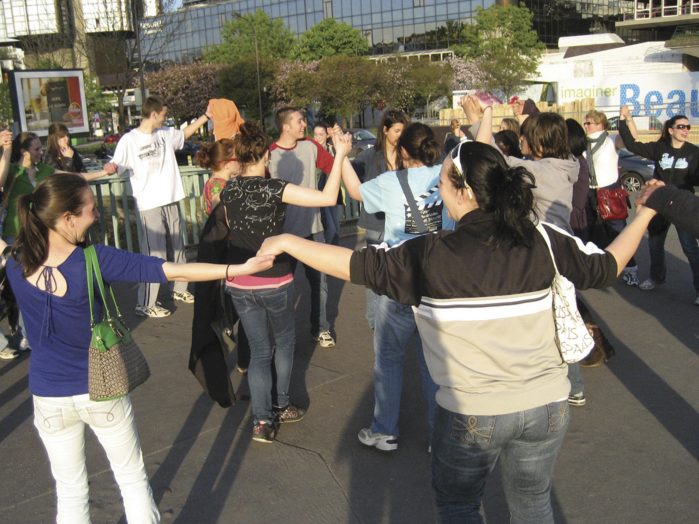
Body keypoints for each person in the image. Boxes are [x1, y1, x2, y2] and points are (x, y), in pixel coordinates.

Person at [257, 141, 657, 523]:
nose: (439, 188)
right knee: (533, 502)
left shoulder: (429, 254)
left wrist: (289, 241)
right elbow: (607, 266)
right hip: (547, 405)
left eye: (443, 181)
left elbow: (354, 265)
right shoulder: (542, 239)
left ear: (462, 191)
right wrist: (644, 215)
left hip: (472, 411)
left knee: (460, 507)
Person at [3, 173, 272, 524]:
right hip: (100, 390)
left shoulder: (16, 261)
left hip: (47, 396)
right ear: (67, 217)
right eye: (90, 210)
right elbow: (170, 269)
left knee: (69, 490)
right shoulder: (92, 259)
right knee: (130, 479)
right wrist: (237, 268)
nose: (96, 215)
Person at [220, 122, 351, 443]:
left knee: (259, 352)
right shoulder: (276, 188)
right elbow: (328, 196)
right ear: (265, 154)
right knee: (284, 343)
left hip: (239, 281)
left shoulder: (228, 190)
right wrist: (341, 155)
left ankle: (262, 422)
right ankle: (281, 403)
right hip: (274, 279)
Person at [340, 121, 467, 452]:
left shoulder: (389, 182)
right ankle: (437, 435)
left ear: (402, 151)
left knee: (389, 358)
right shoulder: (448, 177)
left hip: (399, 280)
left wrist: (340, 155)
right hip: (439, 282)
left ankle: (385, 430)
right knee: (432, 363)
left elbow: (355, 192)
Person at [111, 96, 211, 318]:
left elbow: (184, 134)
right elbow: (117, 165)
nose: (165, 118)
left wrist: (206, 116)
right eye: (163, 114)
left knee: (177, 246)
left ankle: (180, 289)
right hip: (149, 203)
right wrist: (110, 167)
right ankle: (145, 301)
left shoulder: (165, 133)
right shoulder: (129, 140)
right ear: (154, 114)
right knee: (154, 253)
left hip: (171, 197)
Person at [268, 107, 354, 348]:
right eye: (298, 121)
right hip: (283, 233)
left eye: (303, 120)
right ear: (285, 126)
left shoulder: (310, 146)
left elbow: (333, 168)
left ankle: (321, 328)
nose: (303, 124)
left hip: (314, 228)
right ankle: (280, 335)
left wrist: (341, 152)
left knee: (320, 283)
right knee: (283, 287)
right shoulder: (269, 155)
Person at [618, 106, 699, 304]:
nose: (685, 130)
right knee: (655, 245)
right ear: (671, 130)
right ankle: (656, 277)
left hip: (682, 206)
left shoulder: (694, 153)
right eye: (681, 126)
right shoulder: (659, 148)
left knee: (690, 248)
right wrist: (624, 120)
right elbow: (632, 144)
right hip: (659, 204)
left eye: (687, 126)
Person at [351, 108, 409, 329]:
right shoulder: (369, 156)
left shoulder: (407, 156)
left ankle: (396, 316)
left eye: (403, 131)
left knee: (399, 270)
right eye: (396, 131)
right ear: (385, 130)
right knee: (376, 272)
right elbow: (352, 176)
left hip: (402, 223)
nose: (400, 136)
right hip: (376, 223)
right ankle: (375, 320)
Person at [583, 110, 639, 286]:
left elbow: (632, 139)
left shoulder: (611, 140)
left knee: (618, 232)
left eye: (589, 123)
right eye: (585, 123)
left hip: (610, 191)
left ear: (600, 124)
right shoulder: (583, 144)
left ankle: (631, 269)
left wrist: (628, 119)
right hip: (590, 192)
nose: (586, 126)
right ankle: (596, 271)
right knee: (590, 233)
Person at [313, 121, 343, 245]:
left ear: (327, 135)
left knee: (336, 229)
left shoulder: (333, 150)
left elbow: (343, 151)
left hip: (335, 196)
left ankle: (334, 256)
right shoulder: (312, 152)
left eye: (321, 134)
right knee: (330, 230)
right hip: (321, 196)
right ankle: (329, 258)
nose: (318, 137)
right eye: (315, 134)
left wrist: (336, 135)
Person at [197, 139, 239, 216]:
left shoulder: (212, 182)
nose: (240, 162)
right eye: (237, 159)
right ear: (226, 164)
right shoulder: (218, 186)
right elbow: (218, 217)